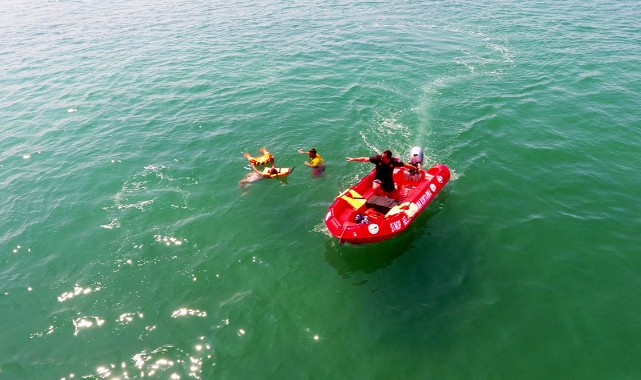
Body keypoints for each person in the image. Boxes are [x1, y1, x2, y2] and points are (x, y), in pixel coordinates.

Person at [346, 150, 417, 196]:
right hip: (378, 178)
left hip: (388, 180)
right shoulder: (377, 158)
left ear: (388, 158)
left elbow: (405, 165)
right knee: (375, 188)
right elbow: (365, 159)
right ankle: (384, 199)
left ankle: (395, 186)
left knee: (391, 194)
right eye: (381, 156)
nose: (381, 158)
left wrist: (415, 168)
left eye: (383, 157)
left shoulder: (394, 162)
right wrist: (354, 159)